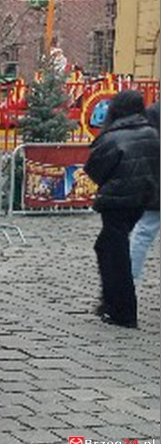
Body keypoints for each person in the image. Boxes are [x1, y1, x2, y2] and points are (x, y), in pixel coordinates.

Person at [85, 90, 159, 328]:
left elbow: (94, 168)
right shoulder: (150, 133)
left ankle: (121, 310)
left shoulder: (112, 137)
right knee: (108, 246)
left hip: (116, 201)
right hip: (141, 199)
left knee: (116, 253)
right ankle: (112, 303)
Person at [129, 102, 161, 282]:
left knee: (143, 234)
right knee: (143, 232)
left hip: (154, 180)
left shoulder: (152, 113)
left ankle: (128, 284)